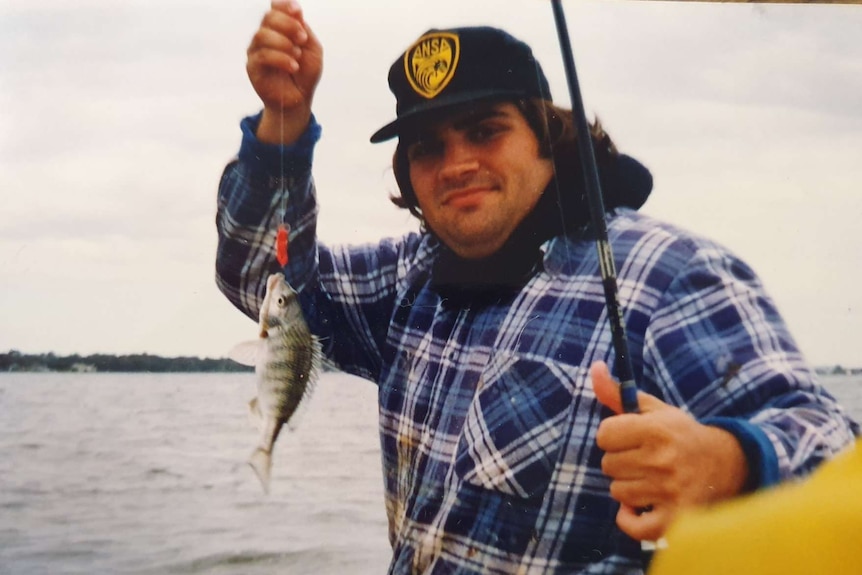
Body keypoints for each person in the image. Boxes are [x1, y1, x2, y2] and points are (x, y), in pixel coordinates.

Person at [216, 1, 859, 573]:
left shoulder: (668, 275)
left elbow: (831, 447)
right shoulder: (407, 280)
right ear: (408, 177)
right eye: (427, 146)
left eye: (486, 130)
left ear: (548, 136)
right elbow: (259, 278)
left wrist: (729, 462)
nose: (457, 163)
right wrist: (284, 124)